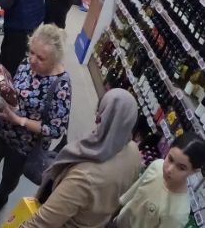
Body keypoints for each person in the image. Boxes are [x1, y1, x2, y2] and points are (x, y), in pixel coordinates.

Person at [0, 24, 71, 220]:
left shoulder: (61, 84)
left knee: (10, 178)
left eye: (40, 58)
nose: (33, 60)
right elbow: (13, 92)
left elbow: (55, 128)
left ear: (55, 58)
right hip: (1, 129)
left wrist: (19, 120)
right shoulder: (27, 64)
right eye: (31, 52)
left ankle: (0, 200)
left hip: (25, 145)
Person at [20, 89, 141, 228]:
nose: (96, 119)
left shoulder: (84, 176)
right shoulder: (134, 152)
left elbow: (43, 223)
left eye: (100, 115)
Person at [112, 132, 205, 228]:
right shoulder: (157, 166)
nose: (169, 170)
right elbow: (129, 196)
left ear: (194, 171)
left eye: (181, 168)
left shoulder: (178, 212)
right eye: (170, 159)